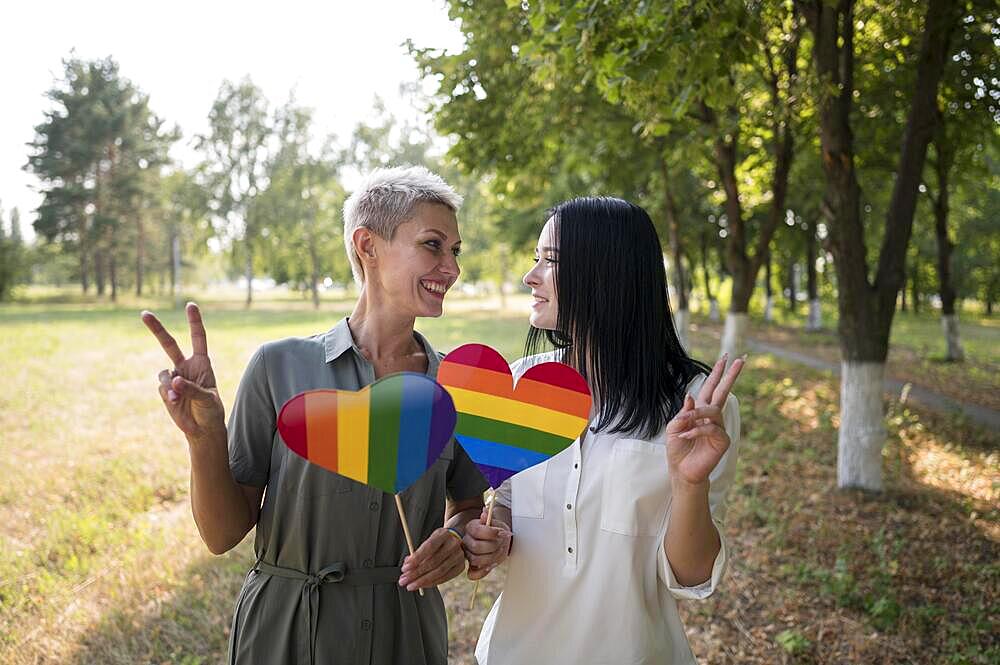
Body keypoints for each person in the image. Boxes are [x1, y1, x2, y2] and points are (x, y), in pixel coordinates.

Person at [141, 166, 489, 665]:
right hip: (286, 633)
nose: (451, 268)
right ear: (367, 245)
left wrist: (456, 540)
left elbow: (469, 506)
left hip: (405, 634)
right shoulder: (278, 366)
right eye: (433, 245)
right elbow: (222, 536)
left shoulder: (456, 386)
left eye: (455, 251)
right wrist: (204, 438)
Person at [462, 196, 745, 664]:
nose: (530, 277)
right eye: (535, 259)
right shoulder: (518, 382)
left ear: (606, 272)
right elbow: (509, 506)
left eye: (550, 261)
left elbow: (691, 577)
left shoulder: (696, 408)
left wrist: (688, 483)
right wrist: (492, 537)